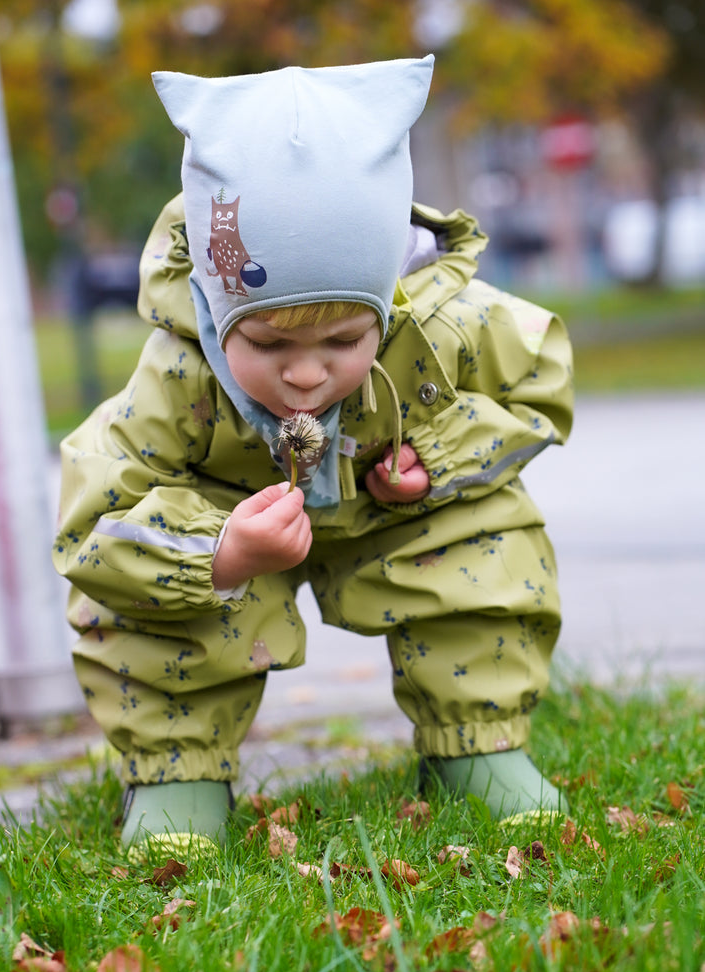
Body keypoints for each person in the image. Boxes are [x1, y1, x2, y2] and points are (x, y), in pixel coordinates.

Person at [52, 55, 574, 859]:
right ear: (218, 311)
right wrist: (214, 552)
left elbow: (539, 385)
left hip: (399, 519)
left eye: (344, 341)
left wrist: (438, 452)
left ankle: (479, 742)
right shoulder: (179, 368)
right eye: (266, 342)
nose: (305, 372)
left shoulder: (440, 325)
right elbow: (95, 517)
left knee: (485, 540)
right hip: (233, 524)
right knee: (147, 610)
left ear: (387, 306)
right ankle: (177, 771)